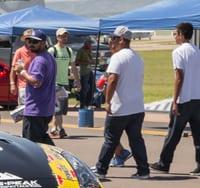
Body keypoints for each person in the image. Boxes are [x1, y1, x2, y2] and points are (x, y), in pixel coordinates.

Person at [93, 26, 149, 180]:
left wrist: (107, 101)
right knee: (136, 139)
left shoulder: (118, 57)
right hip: (137, 106)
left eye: (114, 39)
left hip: (120, 106)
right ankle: (143, 170)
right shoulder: (138, 58)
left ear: (122, 40)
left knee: (110, 138)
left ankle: (101, 170)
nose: (111, 41)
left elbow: (112, 79)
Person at [150, 23, 200, 175]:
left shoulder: (178, 52)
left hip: (184, 99)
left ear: (181, 34)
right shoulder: (197, 50)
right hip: (197, 98)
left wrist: (174, 100)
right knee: (198, 134)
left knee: (173, 133)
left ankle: (164, 163)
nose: (174, 36)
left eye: (175, 33)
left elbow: (179, 77)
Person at [13, 29, 57, 145]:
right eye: (29, 41)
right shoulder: (48, 57)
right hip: (44, 108)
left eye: (35, 41)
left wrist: (22, 72)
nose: (31, 44)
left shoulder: (40, 60)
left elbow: (36, 81)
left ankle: (59, 159)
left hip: (36, 110)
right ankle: (58, 158)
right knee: (42, 141)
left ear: (43, 43)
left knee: (31, 146)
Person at [48, 28, 80, 138]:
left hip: (64, 82)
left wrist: (77, 80)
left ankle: (53, 128)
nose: (64, 38)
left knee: (61, 108)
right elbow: (46, 66)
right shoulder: (52, 51)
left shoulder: (69, 50)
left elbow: (74, 67)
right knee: (57, 108)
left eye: (65, 36)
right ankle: (61, 129)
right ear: (57, 37)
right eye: (61, 36)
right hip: (54, 83)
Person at [10, 29, 37, 105]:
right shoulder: (19, 51)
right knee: (23, 111)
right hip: (23, 86)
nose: (30, 41)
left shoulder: (37, 51)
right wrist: (12, 84)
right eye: (27, 38)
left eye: (32, 38)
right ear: (24, 39)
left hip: (36, 86)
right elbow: (13, 70)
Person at [76, 39, 94, 107]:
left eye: (90, 44)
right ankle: (82, 104)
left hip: (90, 71)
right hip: (84, 72)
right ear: (85, 44)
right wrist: (86, 62)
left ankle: (88, 103)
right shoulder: (81, 51)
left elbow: (90, 60)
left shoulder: (89, 50)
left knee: (92, 88)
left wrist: (91, 61)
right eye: (89, 44)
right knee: (84, 89)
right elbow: (77, 62)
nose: (90, 46)